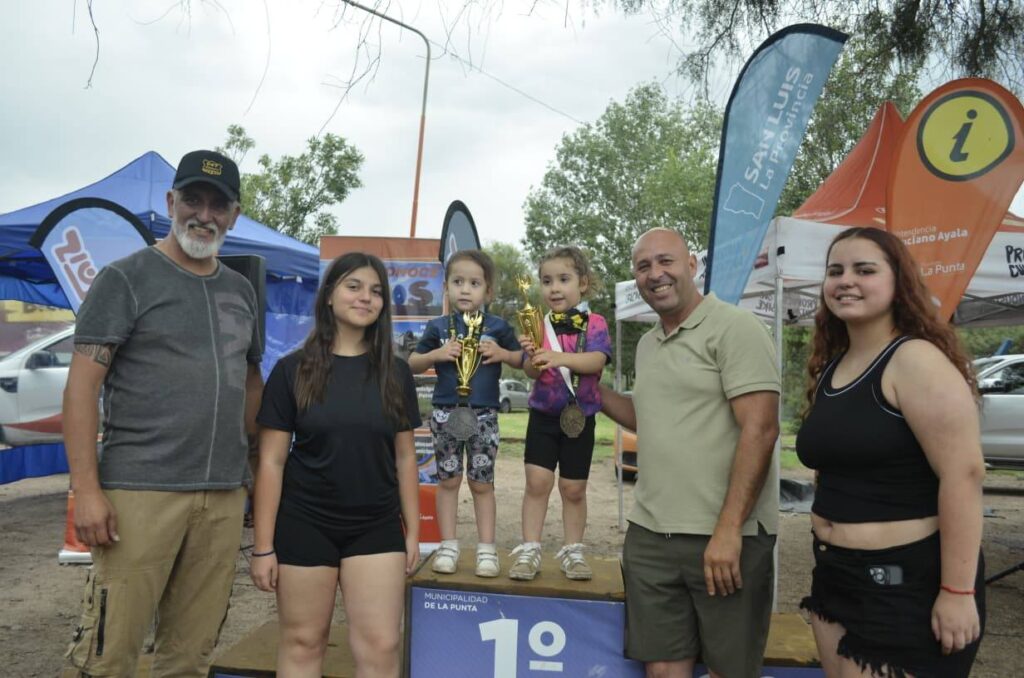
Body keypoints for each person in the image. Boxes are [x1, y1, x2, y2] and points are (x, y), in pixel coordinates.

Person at [63, 150, 263, 677]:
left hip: (222, 496)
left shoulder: (241, 290)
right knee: (108, 655)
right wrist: (86, 490)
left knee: (190, 657)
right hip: (139, 492)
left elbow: (250, 381)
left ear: (234, 215)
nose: (204, 215)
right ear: (171, 202)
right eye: (193, 200)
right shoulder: (125, 278)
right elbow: (81, 388)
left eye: (218, 205)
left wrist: (255, 472)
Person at [796, 227, 985, 677]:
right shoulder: (834, 366)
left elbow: (964, 475)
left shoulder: (914, 359)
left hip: (903, 584)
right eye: (835, 271)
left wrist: (957, 592)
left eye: (865, 270)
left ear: (899, 282)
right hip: (835, 573)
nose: (846, 280)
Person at [600, 227, 780, 678]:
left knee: (728, 672)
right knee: (662, 671)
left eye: (666, 261)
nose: (655, 274)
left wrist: (729, 529)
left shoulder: (736, 328)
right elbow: (648, 417)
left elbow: (761, 430)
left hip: (725, 535)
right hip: (650, 533)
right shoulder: (648, 343)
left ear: (692, 266)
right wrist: (582, 387)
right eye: (643, 266)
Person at [250, 252, 421, 677]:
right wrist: (263, 546)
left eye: (376, 291)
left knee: (382, 644)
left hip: (376, 526)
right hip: (305, 524)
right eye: (354, 286)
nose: (366, 297)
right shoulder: (291, 371)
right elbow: (271, 462)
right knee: (304, 641)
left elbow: (405, 457)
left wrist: (415, 531)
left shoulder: (396, 374)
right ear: (328, 295)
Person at [408, 250, 523, 577]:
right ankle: (448, 546)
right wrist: (437, 354)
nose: (465, 289)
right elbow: (412, 364)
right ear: (446, 287)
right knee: (448, 481)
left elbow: (522, 360)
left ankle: (486, 550)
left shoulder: (498, 327)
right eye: (458, 282)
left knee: (481, 483)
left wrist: (502, 353)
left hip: (485, 416)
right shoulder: (437, 327)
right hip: (445, 414)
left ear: (488, 291)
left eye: (474, 283)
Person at [511, 246, 611, 581]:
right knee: (537, 483)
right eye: (547, 281)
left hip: (580, 419)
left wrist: (558, 357)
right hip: (542, 416)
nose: (554, 288)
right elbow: (531, 372)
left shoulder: (595, 323)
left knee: (573, 488)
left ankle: (573, 551)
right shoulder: (539, 325)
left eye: (563, 279)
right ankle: (529, 549)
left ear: (583, 283)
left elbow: (596, 361)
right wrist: (532, 357)